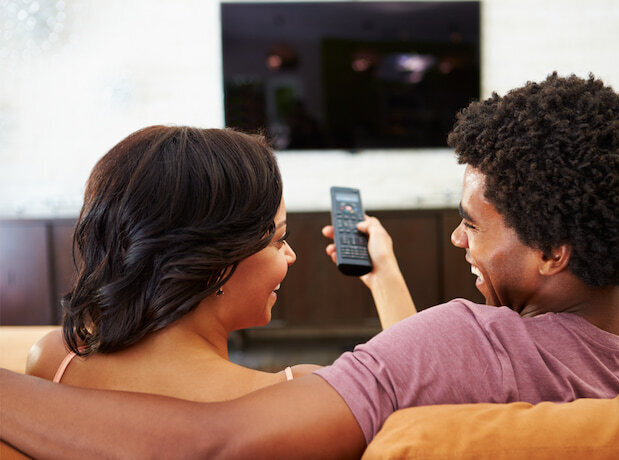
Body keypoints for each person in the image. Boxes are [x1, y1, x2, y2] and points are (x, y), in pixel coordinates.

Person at [2, 73, 619, 459]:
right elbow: (428, 364)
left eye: (471, 225)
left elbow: (210, 445)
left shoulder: (465, 341)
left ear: (550, 254)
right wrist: (385, 273)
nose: (456, 240)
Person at [22, 125, 414, 402]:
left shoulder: (57, 360)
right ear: (213, 262)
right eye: (279, 240)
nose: (291, 255)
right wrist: (384, 275)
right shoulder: (300, 396)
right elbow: (418, 396)